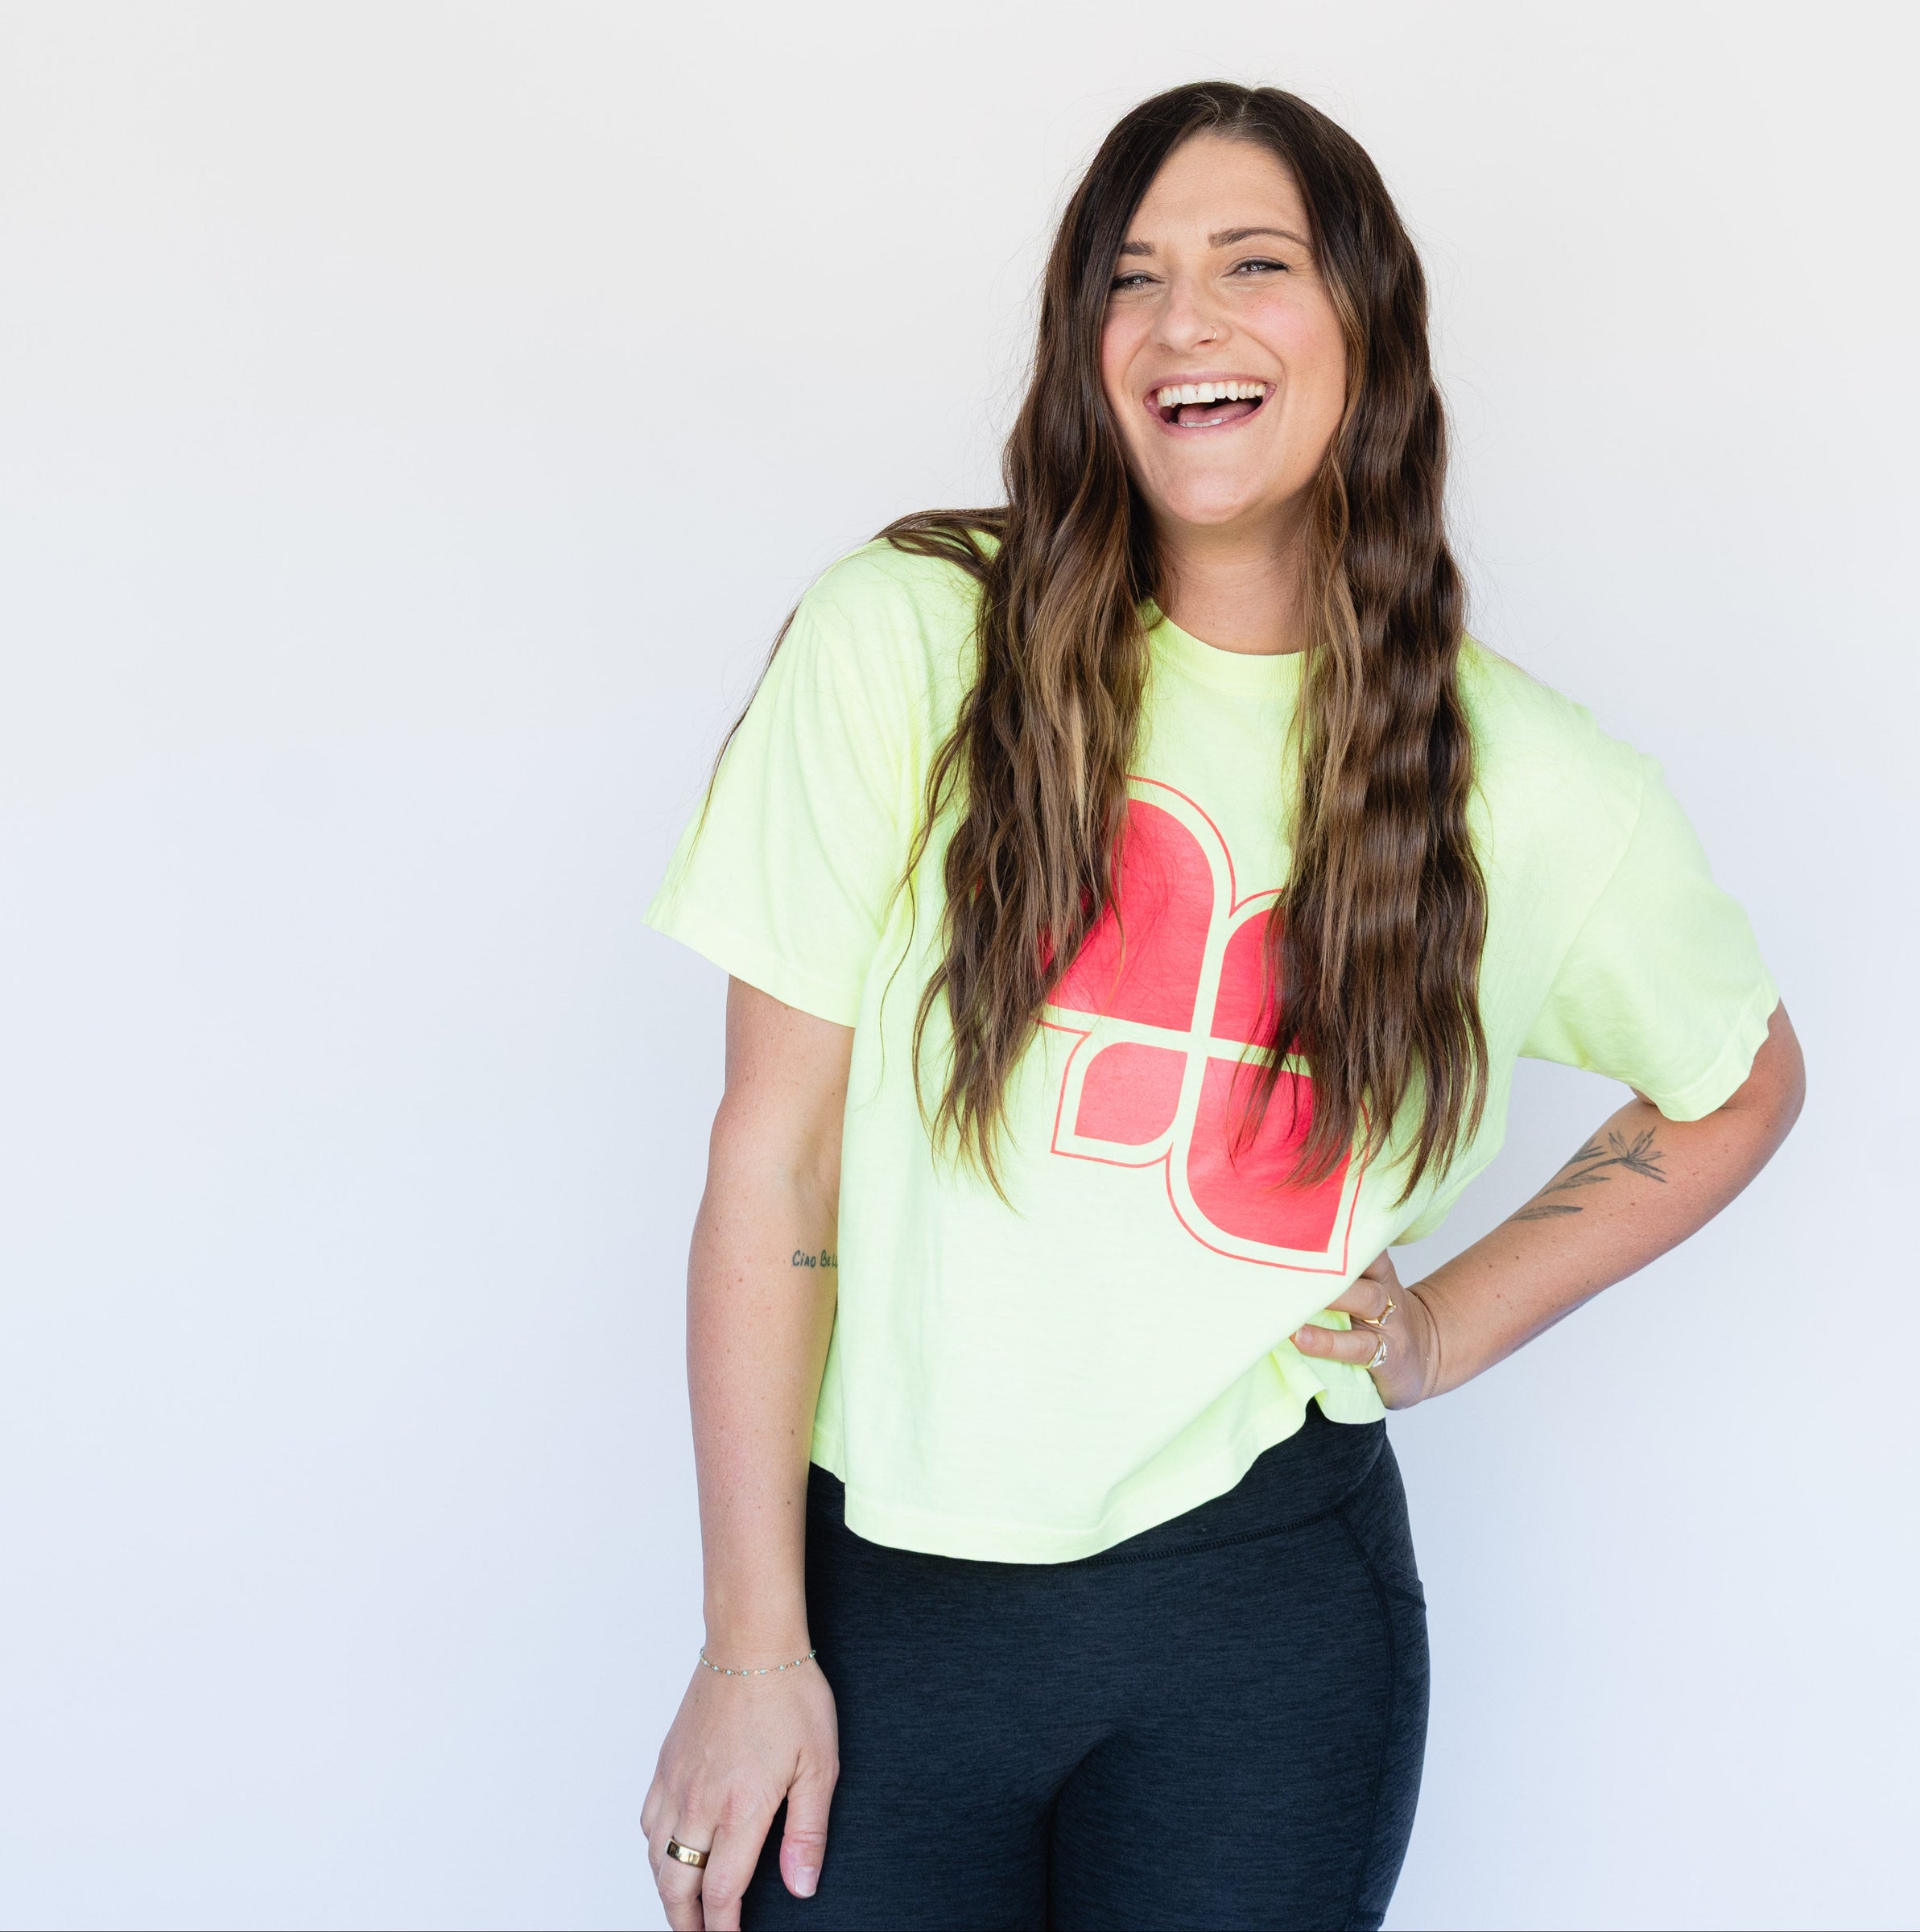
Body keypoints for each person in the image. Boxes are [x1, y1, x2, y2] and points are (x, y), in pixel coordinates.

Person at [636, 80, 1804, 1932]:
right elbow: (773, 1164)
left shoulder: (1527, 783)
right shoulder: (909, 639)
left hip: (1267, 1621)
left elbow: (1736, 1081)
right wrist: (749, 1648)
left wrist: (1445, 1330)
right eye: (1132, 277)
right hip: (881, 1608)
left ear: (1366, 328)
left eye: (1254, 264)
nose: (1185, 318)